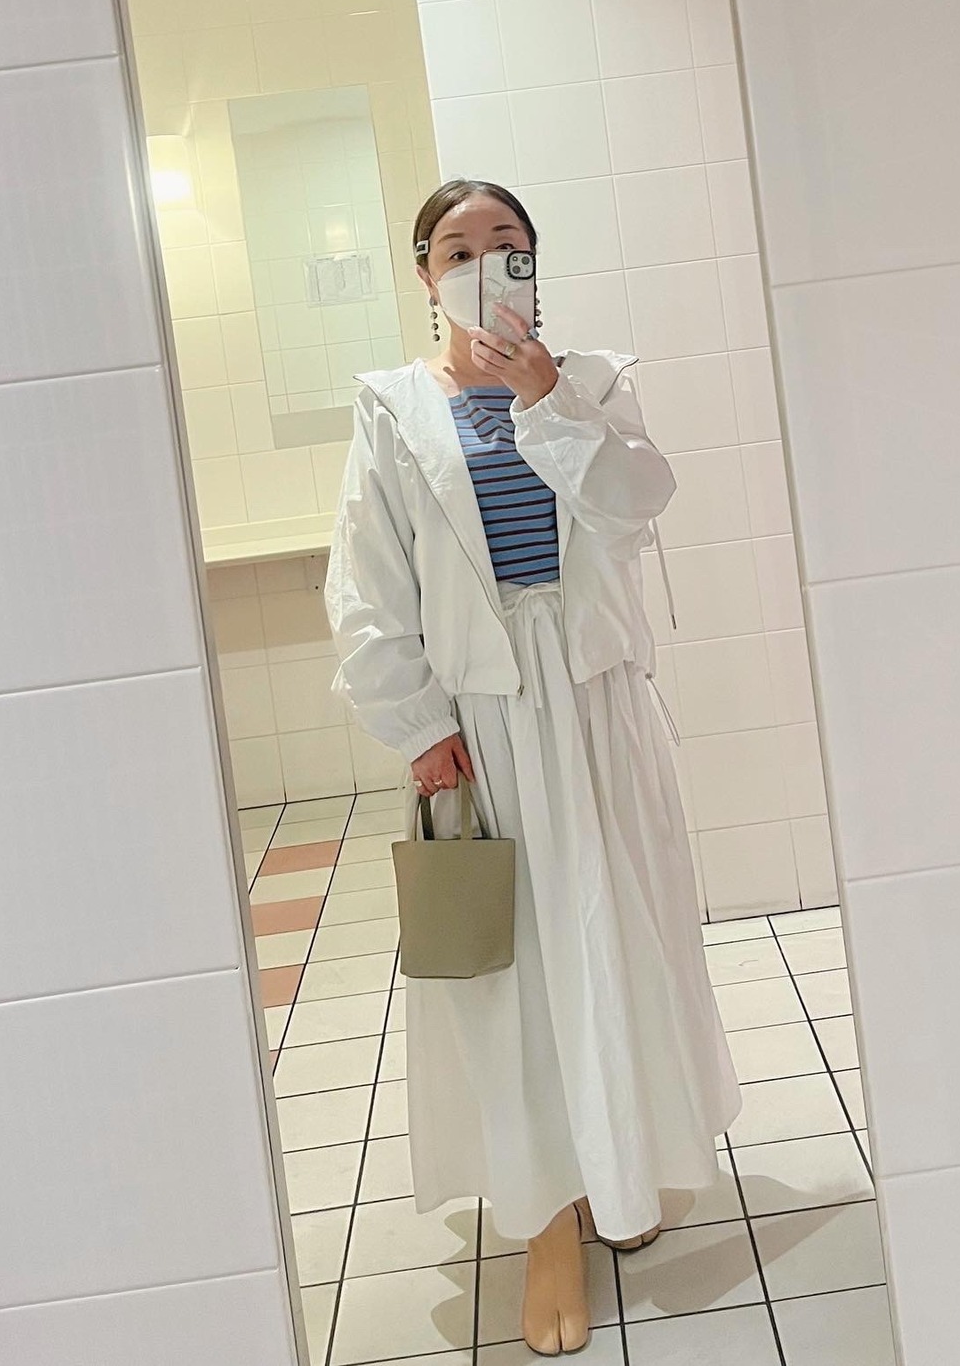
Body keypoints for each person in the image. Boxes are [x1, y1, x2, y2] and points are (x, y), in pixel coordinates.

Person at [325, 179, 741, 1356]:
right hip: (485, 722)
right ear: (423, 275)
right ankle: (545, 1219)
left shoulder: (591, 382)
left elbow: (635, 505)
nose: (481, 263)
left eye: (503, 243)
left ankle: (623, 1167)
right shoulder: (392, 407)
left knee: (626, 945)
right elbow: (366, 581)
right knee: (516, 980)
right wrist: (415, 723)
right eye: (456, 249)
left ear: (534, 262)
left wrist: (544, 397)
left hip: (600, 708)